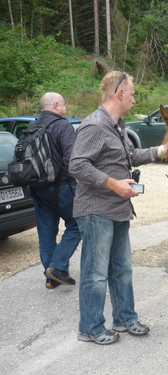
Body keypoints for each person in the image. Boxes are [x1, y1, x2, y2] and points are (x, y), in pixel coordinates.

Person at [69, 71, 166, 345]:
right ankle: (90, 328)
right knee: (95, 273)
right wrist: (113, 184)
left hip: (119, 209)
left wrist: (161, 150)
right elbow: (76, 165)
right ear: (120, 93)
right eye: (132, 94)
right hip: (96, 210)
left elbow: (130, 156)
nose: (134, 99)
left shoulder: (118, 126)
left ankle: (125, 318)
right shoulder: (95, 125)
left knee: (122, 269)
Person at [30, 92, 81, 289]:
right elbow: (71, 160)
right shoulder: (62, 125)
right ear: (57, 105)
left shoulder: (32, 126)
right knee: (77, 225)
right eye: (65, 104)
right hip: (62, 187)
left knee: (46, 233)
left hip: (38, 189)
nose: (66, 108)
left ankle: (51, 278)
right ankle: (58, 267)